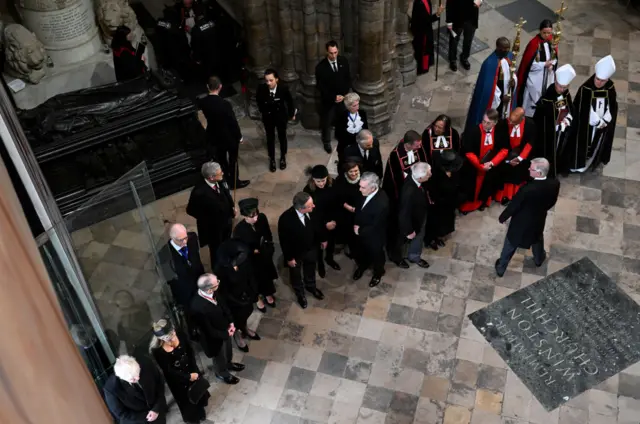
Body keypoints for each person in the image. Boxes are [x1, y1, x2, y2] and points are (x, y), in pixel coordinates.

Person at [495, 158, 560, 276]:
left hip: (521, 222)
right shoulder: (555, 183)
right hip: (539, 219)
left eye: (531, 168)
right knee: (537, 238)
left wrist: (502, 218)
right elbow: (552, 201)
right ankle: (539, 259)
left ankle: (501, 267)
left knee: (511, 243)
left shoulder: (526, 189)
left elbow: (514, 206)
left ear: (539, 173)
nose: (528, 169)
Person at [149, 320, 209, 424]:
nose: (171, 338)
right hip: (177, 379)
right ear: (159, 338)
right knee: (185, 400)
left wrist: (194, 371)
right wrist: (187, 376)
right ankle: (192, 418)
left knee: (197, 392)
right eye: (166, 337)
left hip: (191, 369)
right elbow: (169, 370)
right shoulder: (157, 350)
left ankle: (200, 410)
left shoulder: (180, 334)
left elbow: (190, 353)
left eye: (172, 334)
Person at [189, 274, 245, 385]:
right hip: (213, 338)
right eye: (217, 282)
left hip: (226, 329)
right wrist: (225, 333)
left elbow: (224, 307)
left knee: (228, 350)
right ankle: (222, 373)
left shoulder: (214, 292)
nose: (219, 282)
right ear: (209, 289)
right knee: (219, 356)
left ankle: (228, 364)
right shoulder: (197, 307)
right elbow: (208, 330)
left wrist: (231, 322)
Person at [567, 55, 618, 173]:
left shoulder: (610, 88)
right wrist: (597, 121)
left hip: (602, 124)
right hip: (587, 125)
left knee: (596, 142)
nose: (599, 83)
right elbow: (584, 108)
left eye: (602, 80)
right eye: (597, 79)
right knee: (584, 142)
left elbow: (611, 106)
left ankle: (594, 159)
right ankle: (579, 163)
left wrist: (606, 119)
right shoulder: (585, 89)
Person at [197, 76, 250, 188]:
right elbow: (232, 122)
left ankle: (225, 179)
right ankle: (235, 182)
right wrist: (239, 136)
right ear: (220, 87)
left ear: (207, 87)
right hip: (229, 136)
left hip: (214, 135)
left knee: (221, 159)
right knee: (233, 160)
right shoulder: (225, 104)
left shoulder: (203, 102)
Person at [278, 192, 326, 309]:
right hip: (296, 254)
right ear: (301, 208)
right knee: (295, 275)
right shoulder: (286, 219)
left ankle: (311, 286)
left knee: (310, 268)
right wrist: (289, 258)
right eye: (310, 205)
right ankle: (300, 294)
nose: (313, 206)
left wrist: (323, 239)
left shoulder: (313, 211)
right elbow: (285, 242)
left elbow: (318, 225)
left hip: (311, 249)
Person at [214, 239, 261, 353]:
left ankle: (244, 328)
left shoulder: (244, 262)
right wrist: (238, 301)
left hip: (245, 294)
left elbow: (250, 276)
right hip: (233, 300)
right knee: (236, 318)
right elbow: (222, 292)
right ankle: (237, 334)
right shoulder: (221, 268)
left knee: (246, 313)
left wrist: (254, 293)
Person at [186, 161, 236, 267]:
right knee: (216, 249)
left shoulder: (221, 181)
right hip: (213, 229)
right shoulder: (199, 192)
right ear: (211, 177)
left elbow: (226, 194)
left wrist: (231, 207)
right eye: (219, 173)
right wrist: (209, 219)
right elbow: (190, 210)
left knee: (227, 242)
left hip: (226, 222)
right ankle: (218, 268)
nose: (222, 173)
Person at [233, 198, 277, 313]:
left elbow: (268, 234)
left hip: (264, 255)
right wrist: (253, 251)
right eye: (252, 217)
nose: (255, 218)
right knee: (254, 280)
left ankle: (268, 293)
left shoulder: (262, 218)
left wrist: (269, 247)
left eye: (256, 215)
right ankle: (257, 299)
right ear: (245, 216)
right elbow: (240, 249)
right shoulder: (239, 230)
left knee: (266, 275)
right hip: (251, 260)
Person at [459, 109, 508, 213]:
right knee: (470, 188)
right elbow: (468, 152)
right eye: (483, 121)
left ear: (495, 123)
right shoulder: (473, 131)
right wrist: (480, 166)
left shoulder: (500, 132)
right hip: (474, 167)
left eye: (488, 123)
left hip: (490, 167)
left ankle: (482, 202)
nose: (485, 124)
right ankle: (467, 206)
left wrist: (492, 163)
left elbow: (504, 150)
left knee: (486, 187)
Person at [533, 64, 576, 178]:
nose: (562, 90)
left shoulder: (565, 94)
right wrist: (555, 125)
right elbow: (542, 119)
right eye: (560, 86)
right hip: (550, 134)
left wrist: (567, 119)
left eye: (565, 87)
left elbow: (570, 109)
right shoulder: (547, 98)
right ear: (555, 82)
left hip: (562, 132)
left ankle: (559, 167)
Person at [465, 37, 516, 132]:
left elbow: (513, 73)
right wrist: (501, 98)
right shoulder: (489, 63)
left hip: (506, 95)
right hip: (496, 101)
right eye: (503, 49)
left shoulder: (509, 56)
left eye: (508, 48)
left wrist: (514, 82)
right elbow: (487, 88)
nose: (506, 51)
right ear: (497, 47)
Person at [104, 355, 167, 424]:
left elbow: (159, 384)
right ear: (122, 378)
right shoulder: (111, 388)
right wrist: (148, 416)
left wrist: (156, 409)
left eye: (138, 373)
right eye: (133, 379)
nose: (137, 378)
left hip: (157, 412)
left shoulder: (146, 363)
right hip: (136, 421)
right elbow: (122, 414)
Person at [316, 40, 353, 153]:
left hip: (342, 98)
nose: (334, 55)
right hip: (329, 100)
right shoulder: (321, 67)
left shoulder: (343, 61)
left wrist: (344, 94)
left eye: (335, 52)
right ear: (327, 52)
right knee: (327, 122)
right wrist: (333, 97)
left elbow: (347, 79)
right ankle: (326, 141)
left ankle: (340, 136)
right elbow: (321, 87)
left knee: (342, 119)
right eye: (331, 53)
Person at [256, 68, 296, 172]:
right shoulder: (261, 88)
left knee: (282, 137)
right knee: (270, 138)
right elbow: (258, 101)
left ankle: (283, 157)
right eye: (267, 80)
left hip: (280, 116)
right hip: (268, 117)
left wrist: (291, 114)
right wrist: (263, 111)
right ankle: (272, 159)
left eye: (271, 80)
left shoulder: (283, 88)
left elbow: (290, 101)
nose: (268, 83)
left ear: (276, 79)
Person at [304, 165, 341, 277]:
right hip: (318, 223)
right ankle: (320, 264)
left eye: (323, 180)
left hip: (332, 220)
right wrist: (325, 223)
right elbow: (312, 212)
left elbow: (337, 203)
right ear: (313, 180)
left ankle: (329, 259)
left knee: (331, 243)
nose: (321, 183)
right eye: (318, 181)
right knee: (319, 246)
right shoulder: (308, 190)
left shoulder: (332, 184)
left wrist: (334, 221)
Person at [353, 172, 389, 288]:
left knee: (376, 255)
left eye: (363, 187)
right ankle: (362, 266)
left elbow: (376, 225)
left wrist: (360, 231)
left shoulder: (381, 203)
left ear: (373, 188)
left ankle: (378, 273)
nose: (359, 189)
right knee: (361, 251)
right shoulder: (364, 192)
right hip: (360, 230)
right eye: (360, 186)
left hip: (374, 236)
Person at [493, 107, 536, 204]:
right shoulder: (503, 124)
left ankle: (513, 195)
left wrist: (520, 158)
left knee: (518, 174)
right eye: (510, 121)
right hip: (506, 155)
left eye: (513, 123)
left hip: (520, 156)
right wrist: (508, 159)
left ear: (522, 119)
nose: (510, 124)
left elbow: (530, 143)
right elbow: (499, 142)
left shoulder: (530, 125)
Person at [516, 20, 558, 117]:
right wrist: (544, 64)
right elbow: (528, 65)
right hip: (534, 79)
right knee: (532, 102)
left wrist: (552, 64)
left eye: (549, 33)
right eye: (544, 33)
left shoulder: (552, 41)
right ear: (540, 31)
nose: (547, 35)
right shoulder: (534, 44)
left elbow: (555, 57)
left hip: (548, 76)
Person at [424, 150, 463, 250]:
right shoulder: (435, 173)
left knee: (446, 220)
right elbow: (431, 189)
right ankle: (431, 239)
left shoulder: (455, 171)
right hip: (437, 203)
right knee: (434, 222)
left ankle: (440, 236)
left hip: (449, 202)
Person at [395, 162, 432, 268]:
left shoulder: (414, 179)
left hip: (419, 216)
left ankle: (413, 255)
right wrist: (409, 231)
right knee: (408, 240)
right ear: (420, 178)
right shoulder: (409, 192)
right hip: (413, 222)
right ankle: (406, 257)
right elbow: (404, 213)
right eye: (428, 174)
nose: (430, 175)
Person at [167, 223, 204, 310]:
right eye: (180, 240)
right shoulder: (166, 255)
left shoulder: (193, 238)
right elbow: (170, 279)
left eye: (185, 238)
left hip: (199, 280)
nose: (184, 242)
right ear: (172, 238)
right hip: (185, 290)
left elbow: (196, 258)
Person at [334, 161, 362, 257]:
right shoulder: (340, 181)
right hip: (345, 211)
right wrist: (348, 207)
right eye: (351, 171)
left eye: (356, 171)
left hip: (359, 209)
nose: (354, 174)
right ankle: (344, 243)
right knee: (345, 228)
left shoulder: (363, 178)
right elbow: (338, 197)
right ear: (346, 172)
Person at [446, 0, 482, 72]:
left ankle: (464, 57)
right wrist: (449, 21)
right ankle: (452, 59)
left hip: (471, 18)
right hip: (457, 19)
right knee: (454, 40)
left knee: (468, 40)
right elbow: (449, 5)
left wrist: (480, 1)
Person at [411, 0, 445, 74]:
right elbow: (425, 21)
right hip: (422, 32)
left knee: (427, 48)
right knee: (423, 50)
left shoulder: (427, 1)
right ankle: (421, 69)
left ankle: (426, 65)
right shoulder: (419, 3)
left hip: (426, 30)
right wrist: (437, 14)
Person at [335, 92, 368, 164]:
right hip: (346, 147)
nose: (357, 107)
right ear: (348, 107)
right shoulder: (342, 117)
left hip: (360, 146)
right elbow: (338, 134)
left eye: (358, 104)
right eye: (354, 106)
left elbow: (366, 129)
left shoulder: (362, 113)